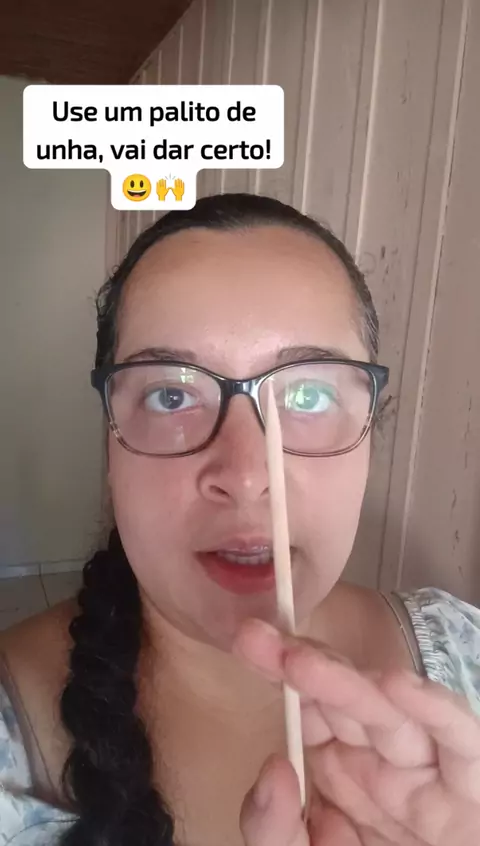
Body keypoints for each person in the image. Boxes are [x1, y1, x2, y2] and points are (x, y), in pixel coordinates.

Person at [1, 192, 480, 846]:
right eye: (171, 395)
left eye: (307, 393)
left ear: (372, 431)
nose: (248, 475)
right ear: (110, 441)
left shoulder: (465, 655)